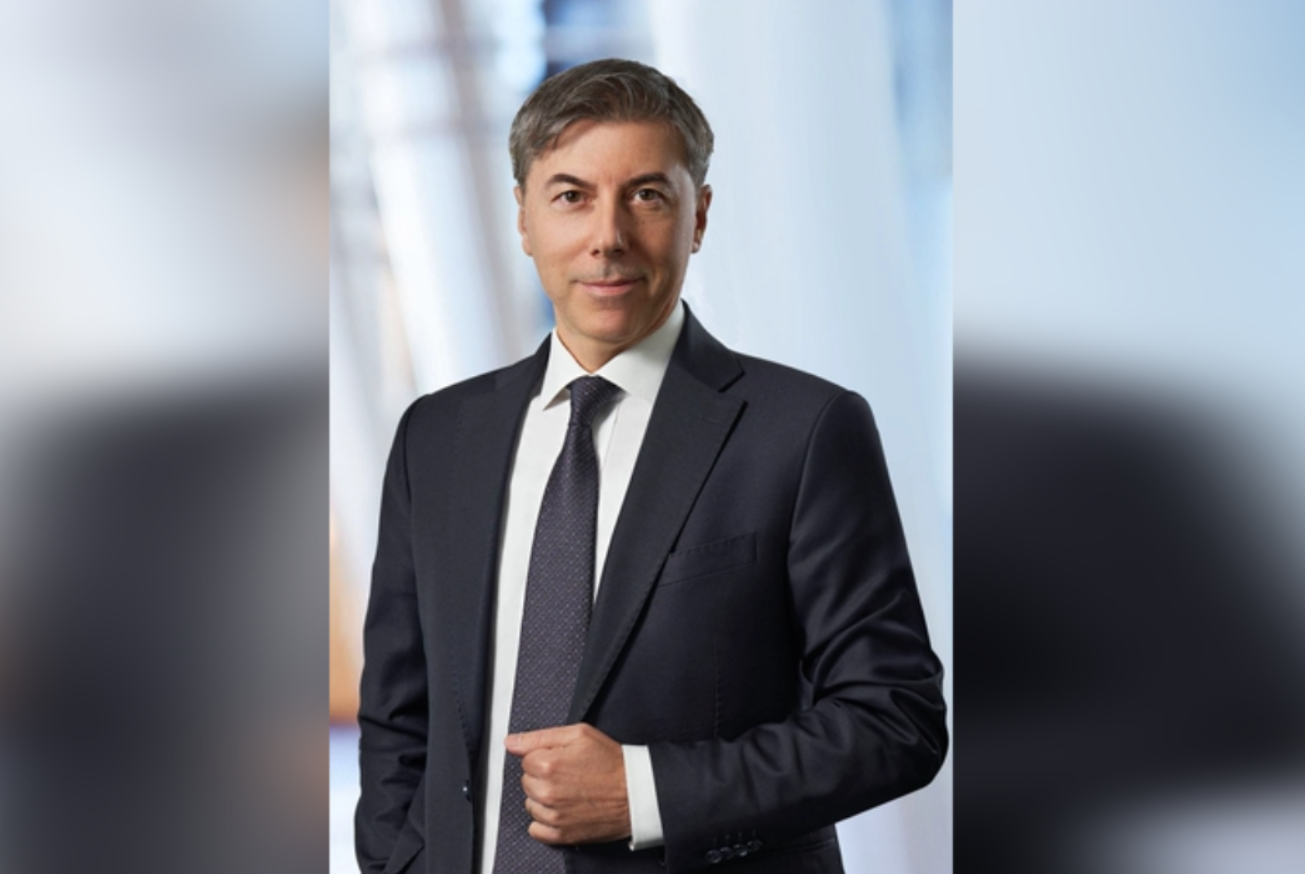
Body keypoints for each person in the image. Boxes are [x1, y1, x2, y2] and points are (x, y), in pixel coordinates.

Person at [356, 58, 947, 874]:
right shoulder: (437, 436)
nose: (607, 237)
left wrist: (645, 792)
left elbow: (894, 720)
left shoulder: (803, 431)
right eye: (571, 196)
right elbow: (398, 717)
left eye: (645, 196)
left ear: (697, 216)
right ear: (523, 217)